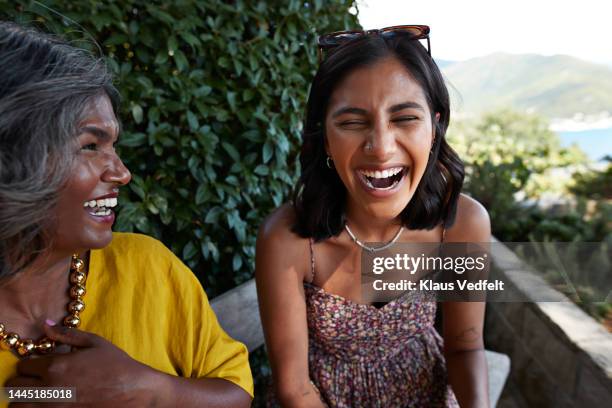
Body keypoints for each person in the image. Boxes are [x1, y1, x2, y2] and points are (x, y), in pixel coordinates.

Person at [0, 21, 252, 407]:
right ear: (11, 154)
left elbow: (237, 394)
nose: (122, 173)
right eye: (90, 146)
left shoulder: (149, 268)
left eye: (113, 145)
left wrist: (148, 390)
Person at [256, 25, 491, 407]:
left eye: (404, 119)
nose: (380, 148)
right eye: (352, 122)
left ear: (434, 126)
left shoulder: (462, 224)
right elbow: (294, 389)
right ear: (325, 137)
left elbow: (465, 348)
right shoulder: (288, 240)